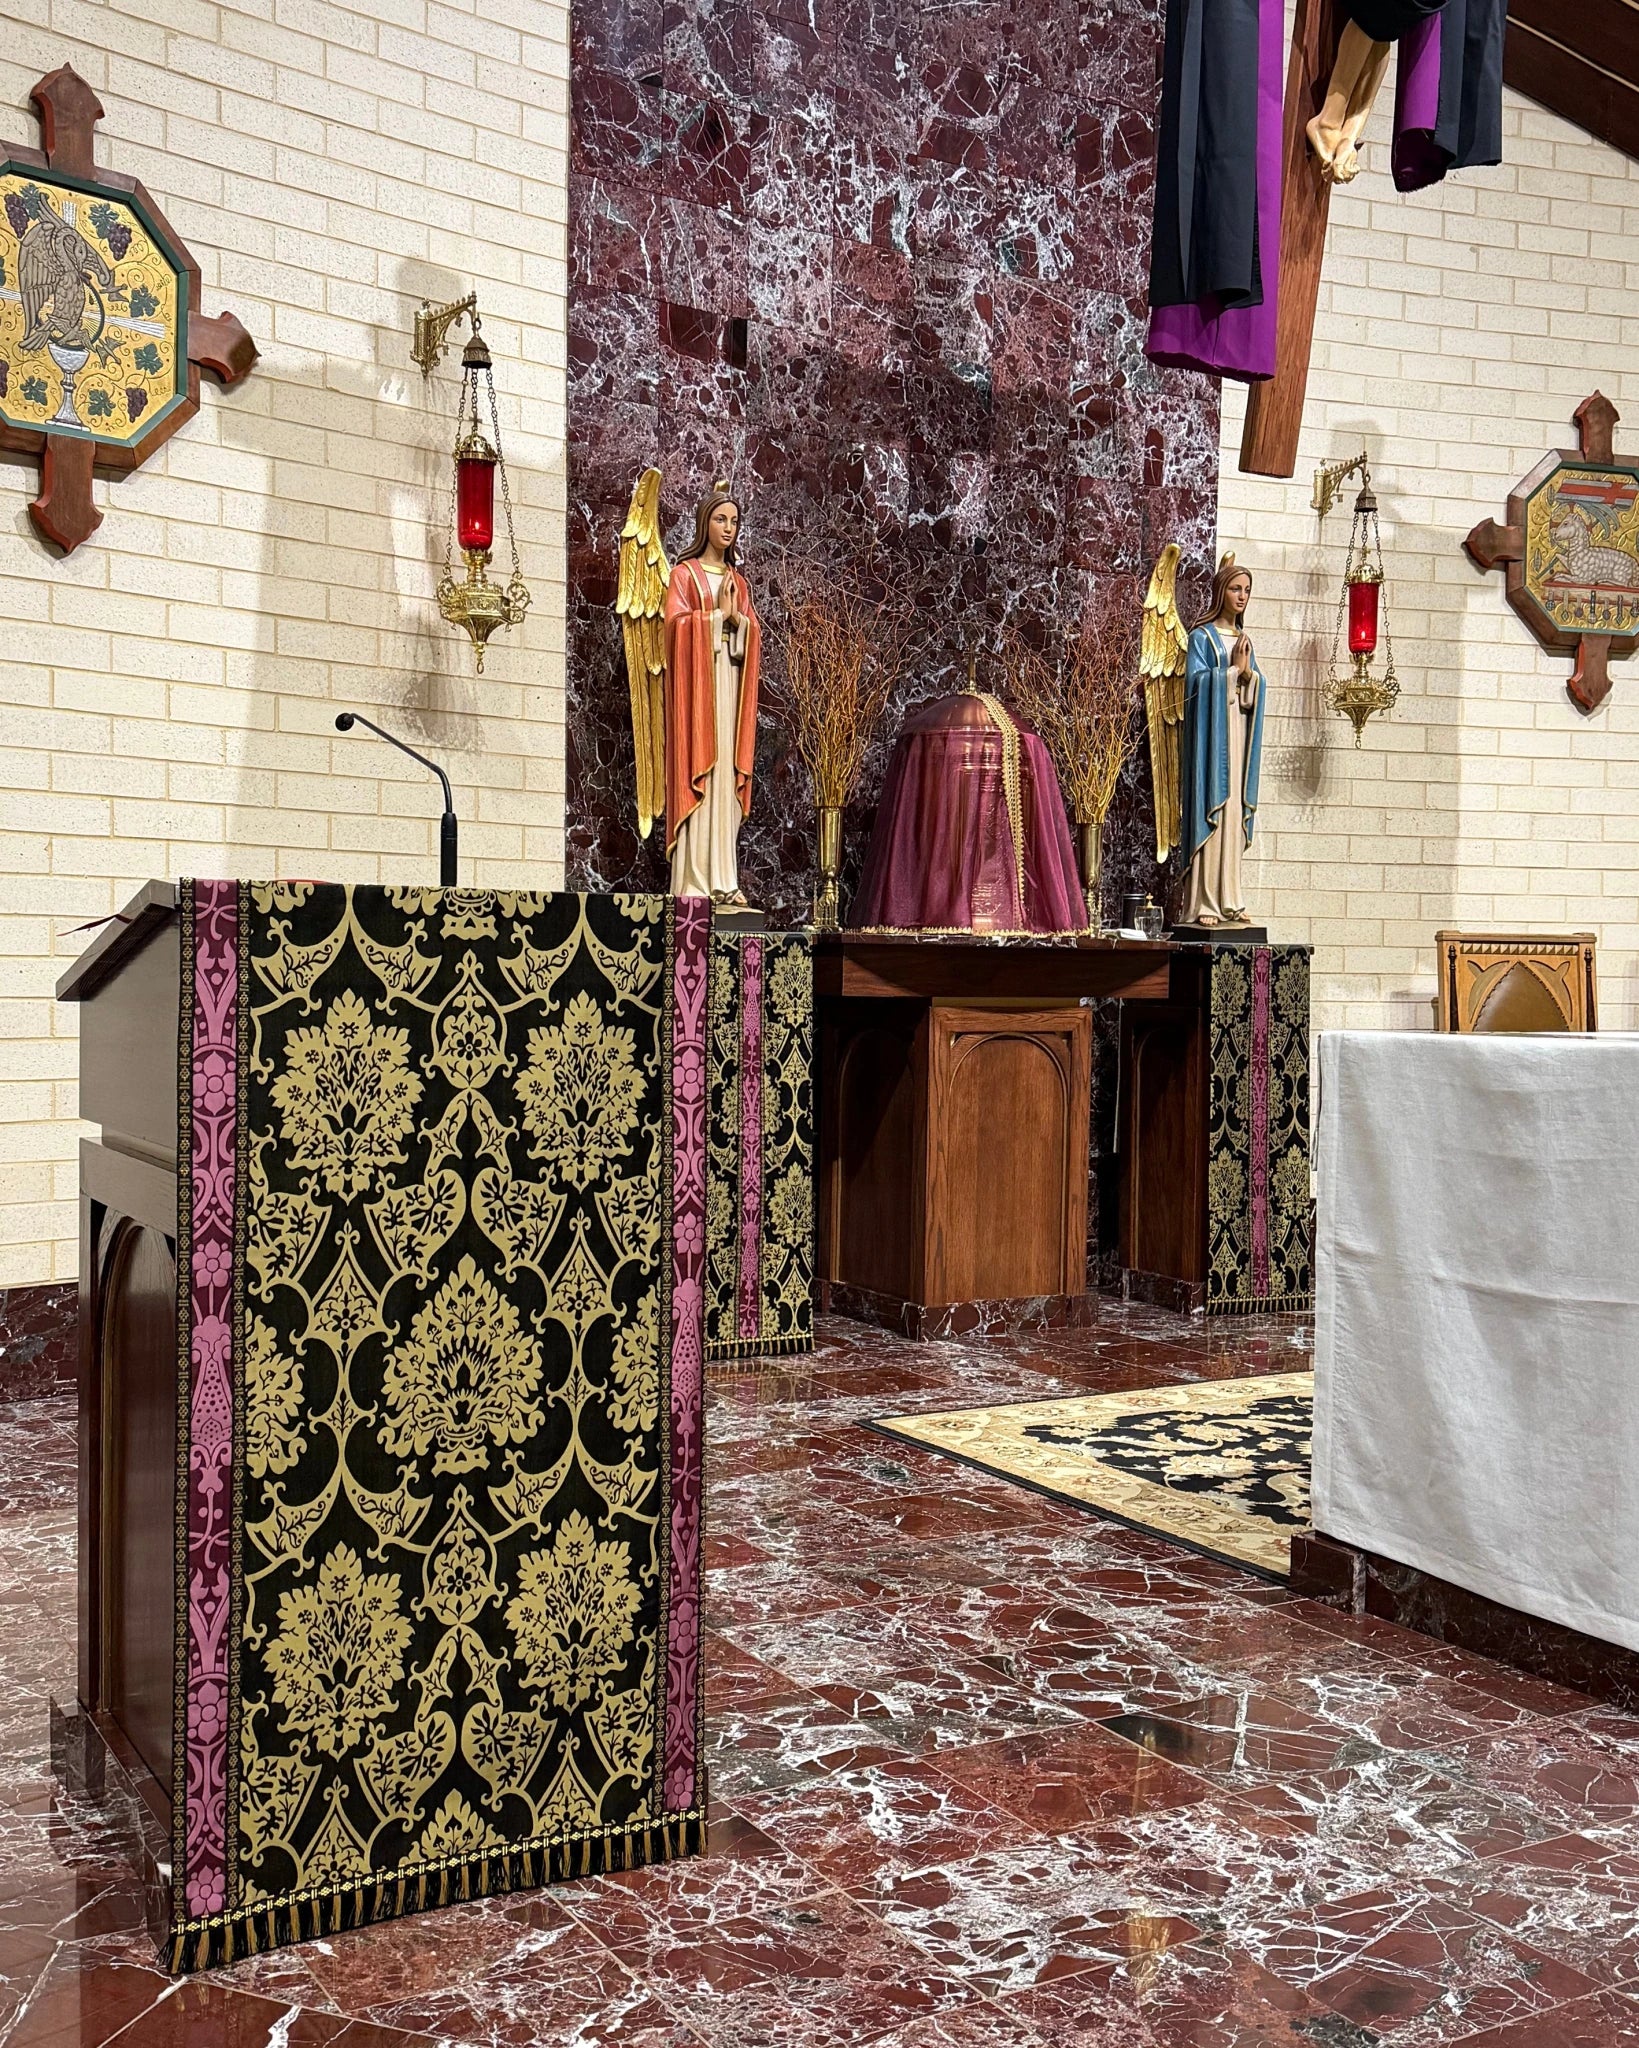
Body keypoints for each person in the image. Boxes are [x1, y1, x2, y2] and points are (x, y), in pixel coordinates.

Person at [663, 486, 761, 904]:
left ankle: (724, 879)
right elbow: (674, 628)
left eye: (734, 521)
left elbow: (752, 634)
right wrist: (716, 617)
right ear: (705, 523)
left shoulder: (739, 582)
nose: (728, 528)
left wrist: (739, 622)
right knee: (702, 767)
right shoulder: (684, 575)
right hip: (698, 693)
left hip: (730, 686)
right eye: (721, 519)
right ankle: (694, 881)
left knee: (724, 776)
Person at [1180, 555, 1266, 928]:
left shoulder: (1244, 641)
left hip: (1237, 735)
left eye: (1246, 590)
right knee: (1213, 809)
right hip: (1211, 745)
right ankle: (1204, 901)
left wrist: (1248, 677)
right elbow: (1194, 687)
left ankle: (1230, 899)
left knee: (1232, 814)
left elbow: (1254, 690)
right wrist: (1232, 672)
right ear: (1221, 593)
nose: (1242, 596)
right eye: (1235, 589)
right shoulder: (1202, 637)